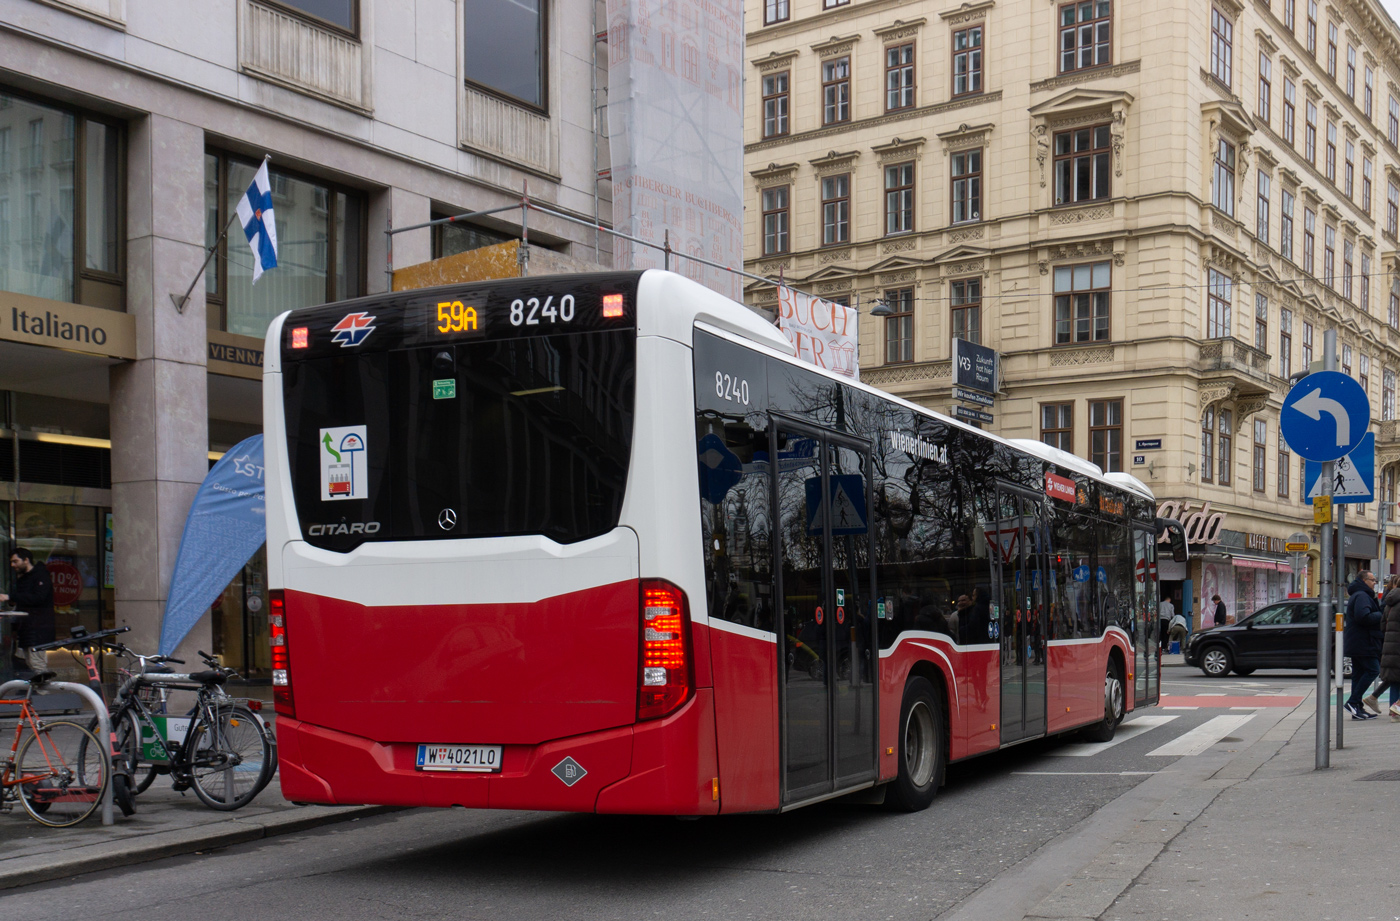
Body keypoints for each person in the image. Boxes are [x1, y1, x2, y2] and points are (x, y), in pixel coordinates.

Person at [0, 549, 56, 674]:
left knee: (37, 663)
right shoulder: (24, 578)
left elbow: (38, 598)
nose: (13, 565)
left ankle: (44, 691)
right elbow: (23, 602)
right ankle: (41, 690)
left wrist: (11, 597)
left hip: (38, 627)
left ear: (26, 560)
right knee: (31, 662)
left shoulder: (40, 576)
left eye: (15, 561)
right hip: (27, 627)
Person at [1343, 570, 1385, 720]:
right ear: (1364, 580)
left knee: (1359, 674)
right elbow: (1363, 617)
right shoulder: (1362, 596)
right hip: (1363, 642)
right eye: (1372, 580)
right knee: (1373, 670)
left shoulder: (1360, 595)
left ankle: (1357, 707)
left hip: (1359, 641)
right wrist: (1381, 614)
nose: (1375, 583)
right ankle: (1353, 702)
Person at [1362, 574, 1400, 721]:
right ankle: (1395, 710)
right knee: (1395, 679)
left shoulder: (1390, 602)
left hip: (1390, 646)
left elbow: (1382, 625)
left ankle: (1394, 712)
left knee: (1395, 679)